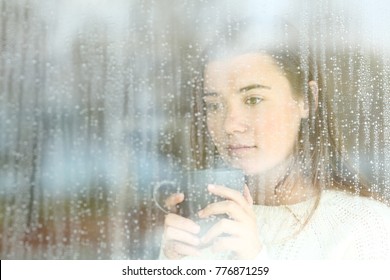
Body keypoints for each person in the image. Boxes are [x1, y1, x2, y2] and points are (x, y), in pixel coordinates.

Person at [159, 17, 390, 260]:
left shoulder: (366, 228)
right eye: (214, 105)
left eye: (253, 99)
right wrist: (170, 264)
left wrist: (254, 262)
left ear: (307, 100)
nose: (229, 125)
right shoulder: (200, 222)